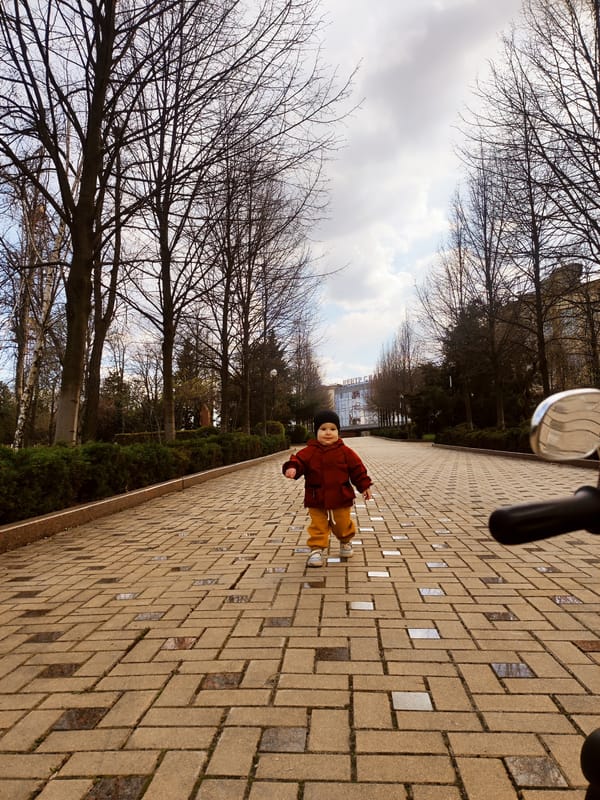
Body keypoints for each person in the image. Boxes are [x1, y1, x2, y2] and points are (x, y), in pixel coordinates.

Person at [282, 409, 373, 567]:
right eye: (323, 429)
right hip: (316, 497)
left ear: (338, 431)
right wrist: (292, 468)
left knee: (342, 524)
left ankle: (345, 541)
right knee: (318, 525)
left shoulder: (345, 452)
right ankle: (316, 550)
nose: (328, 433)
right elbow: (298, 460)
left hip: (341, 496)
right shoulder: (310, 451)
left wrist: (364, 486)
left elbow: (358, 469)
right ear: (316, 432)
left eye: (332, 429)